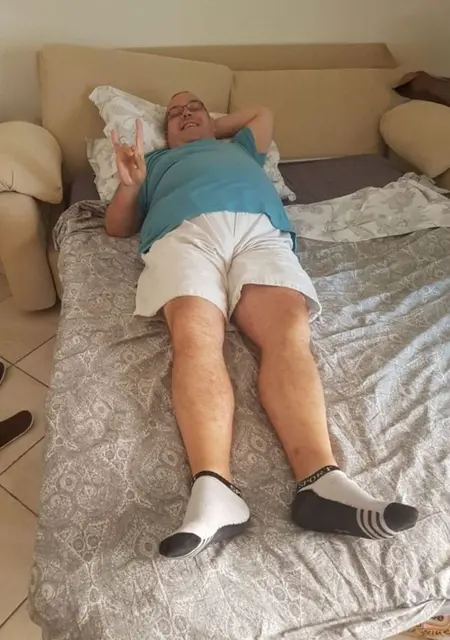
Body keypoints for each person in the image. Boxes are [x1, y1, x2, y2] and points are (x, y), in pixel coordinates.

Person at [105, 91, 418, 559]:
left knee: (289, 332)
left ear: (213, 120)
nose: (185, 114)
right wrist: (131, 185)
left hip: (259, 230)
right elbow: (116, 228)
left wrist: (210, 126)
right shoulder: (153, 162)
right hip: (183, 234)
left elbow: (262, 113)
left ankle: (321, 483)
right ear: (163, 131)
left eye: (194, 107)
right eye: (174, 114)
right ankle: (215, 489)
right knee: (195, 337)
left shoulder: (240, 147)